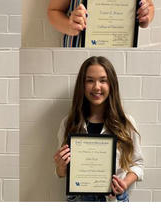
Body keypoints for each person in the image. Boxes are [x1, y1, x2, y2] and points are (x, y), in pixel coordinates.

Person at [53, 56, 143, 201]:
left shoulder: (126, 123)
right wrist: (60, 168)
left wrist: (124, 184)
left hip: (114, 200)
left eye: (103, 80)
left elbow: (138, 165)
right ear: (82, 85)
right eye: (89, 80)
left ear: (111, 84)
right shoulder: (68, 123)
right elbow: (61, 173)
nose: (96, 87)